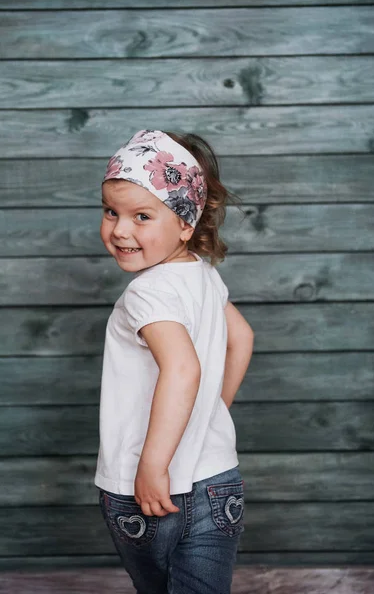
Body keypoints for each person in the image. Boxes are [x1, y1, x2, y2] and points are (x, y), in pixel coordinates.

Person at [95, 128, 254, 594]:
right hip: (218, 480)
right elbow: (240, 338)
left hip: (144, 485)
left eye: (141, 216)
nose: (120, 229)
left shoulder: (147, 292)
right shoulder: (203, 276)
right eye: (111, 212)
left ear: (186, 222)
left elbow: (183, 369)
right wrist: (211, 411)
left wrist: (154, 465)